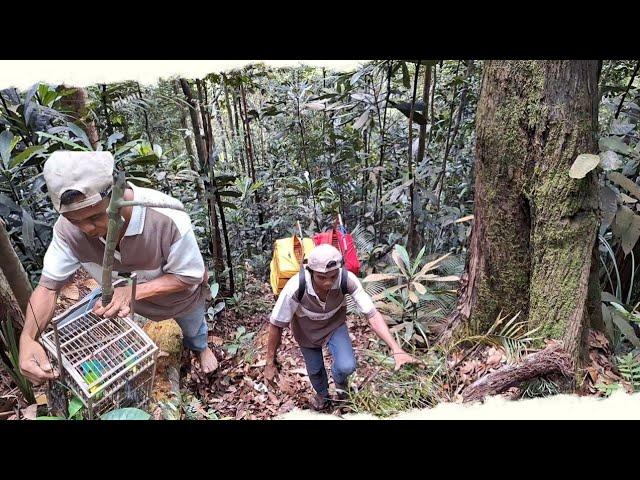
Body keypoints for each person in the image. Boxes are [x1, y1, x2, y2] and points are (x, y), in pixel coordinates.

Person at [18, 150, 217, 385]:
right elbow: (48, 288)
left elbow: (189, 277)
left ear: (116, 194)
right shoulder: (66, 231)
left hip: (177, 300)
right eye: (75, 221)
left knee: (193, 328)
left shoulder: (166, 216)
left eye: (94, 217)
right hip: (125, 304)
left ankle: (200, 348)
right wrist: (28, 338)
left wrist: (131, 293)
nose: (87, 229)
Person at [264, 243, 416, 410]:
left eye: (333, 276)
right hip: (306, 332)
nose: (328, 282)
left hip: (334, 326)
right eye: (321, 277)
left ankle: (341, 387)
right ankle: (323, 396)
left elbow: (371, 314)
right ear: (311, 272)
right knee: (315, 371)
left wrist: (396, 348)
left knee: (347, 365)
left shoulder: (346, 279)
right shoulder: (295, 287)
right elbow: (276, 324)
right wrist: (270, 362)